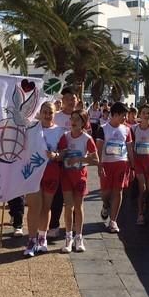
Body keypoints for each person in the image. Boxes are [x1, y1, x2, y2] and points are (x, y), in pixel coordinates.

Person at [24, 101, 64, 256]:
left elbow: (63, 153)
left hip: (51, 173)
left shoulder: (59, 131)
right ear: (40, 113)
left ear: (55, 114)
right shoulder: (31, 129)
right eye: (45, 112)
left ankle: (42, 237)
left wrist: (56, 156)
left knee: (46, 207)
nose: (47, 115)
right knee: (34, 207)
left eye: (51, 112)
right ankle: (31, 240)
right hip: (33, 172)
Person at [58, 110, 98, 253]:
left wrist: (79, 159)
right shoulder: (64, 137)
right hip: (67, 175)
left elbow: (96, 159)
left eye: (77, 119)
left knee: (78, 206)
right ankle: (68, 238)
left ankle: (79, 237)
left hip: (80, 175)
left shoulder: (87, 139)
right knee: (68, 207)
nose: (73, 122)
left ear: (83, 123)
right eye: (72, 118)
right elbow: (60, 154)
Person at [96, 102, 134, 233]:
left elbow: (129, 148)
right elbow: (99, 148)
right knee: (106, 192)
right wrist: (99, 165)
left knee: (118, 191)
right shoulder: (103, 129)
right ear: (115, 114)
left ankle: (113, 221)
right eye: (123, 115)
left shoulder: (127, 130)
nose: (125, 118)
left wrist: (133, 167)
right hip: (107, 164)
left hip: (121, 163)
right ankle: (106, 204)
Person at [48, 88, 78, 239]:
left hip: (76, 164)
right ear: (63, 101)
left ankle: (72, 228)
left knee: (74, 197)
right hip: (59, 161)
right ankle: (53, 226)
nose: (71, 101)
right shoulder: (56, 117)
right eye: (68, 99)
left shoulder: (81, 117)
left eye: (74, 98)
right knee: (57, 195)